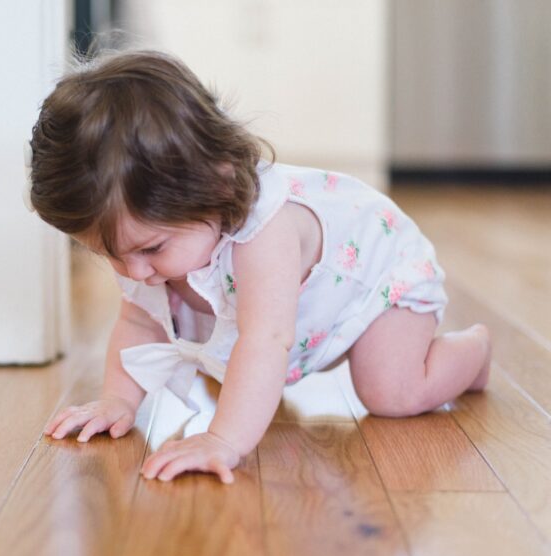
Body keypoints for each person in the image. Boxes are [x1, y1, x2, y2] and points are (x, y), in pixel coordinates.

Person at [28, 49, 491, 484]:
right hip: (313, 304)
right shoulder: (149, 244)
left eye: (150, 249)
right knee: (216, 357)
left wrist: (223, 439)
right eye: (108, 254)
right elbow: (139, 323)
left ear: (218, 182)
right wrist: (118, 401)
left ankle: (473, 353)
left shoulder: (265, 235)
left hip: (376, 279)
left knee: (391, 392)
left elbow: (266, 338)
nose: (132, 271)